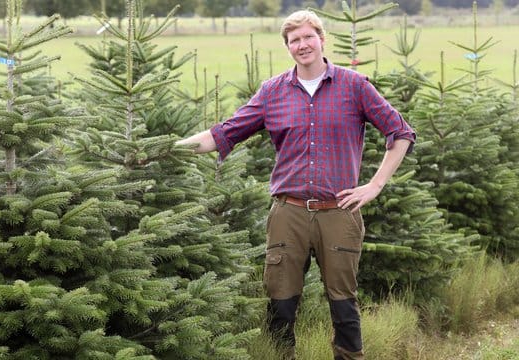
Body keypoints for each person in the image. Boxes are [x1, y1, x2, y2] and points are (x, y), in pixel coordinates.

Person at [177, 9, 415, 360]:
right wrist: (167, 149)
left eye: (307, 37)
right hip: (288, 212)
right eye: (294, 40)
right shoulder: (272, 93)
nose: (302, 45)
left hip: (339, 211)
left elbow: (401, 133)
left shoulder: (354, 86)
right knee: (280, 305)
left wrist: (375, 185)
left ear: (321, 39)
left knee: (343, 304)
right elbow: (222, 134)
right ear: (287, 47)